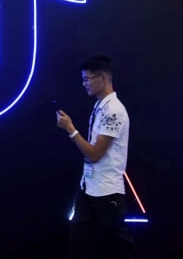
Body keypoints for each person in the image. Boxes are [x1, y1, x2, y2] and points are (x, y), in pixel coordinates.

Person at [56, 55, 139, 259]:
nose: (84, 84)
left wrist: (71, 129)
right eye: (83, 79)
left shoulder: (114, 111)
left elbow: (95, 154)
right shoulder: (100, 106)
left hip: (107, 192)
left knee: (120, 248)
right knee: (78, 244)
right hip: (89, 187)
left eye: (87, 79)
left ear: (102, 77)